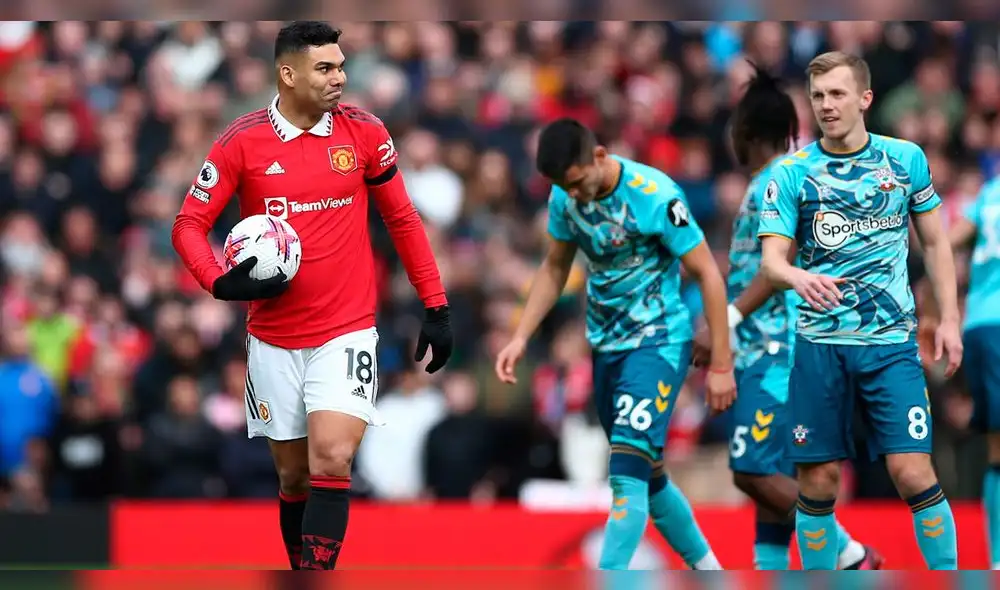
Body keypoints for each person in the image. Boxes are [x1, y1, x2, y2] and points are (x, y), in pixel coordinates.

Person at [171, 21, 453, 570]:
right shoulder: (241, 141)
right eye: (326, 68)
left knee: (332, 456)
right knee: (294, 475)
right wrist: (220, 280)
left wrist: (435, 303)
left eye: (342, 66)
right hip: (273, 338)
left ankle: (318, 577)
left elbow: (402, 218)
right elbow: (188, 224)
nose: (340, 78)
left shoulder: (366, 133)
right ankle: (301, 572)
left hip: (346, 328)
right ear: (288, 74)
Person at [495, 118, 735, 570]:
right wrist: (521, 336)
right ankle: (713, 577)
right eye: (567, 187)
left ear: (600, 156)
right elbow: (553, 267)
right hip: (606, 347)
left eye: (581, 182)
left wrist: (721, 361)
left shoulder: (655, 197)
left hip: (659, 342)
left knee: (625, 479)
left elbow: (706, 272)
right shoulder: (564, 195)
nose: (578, 196)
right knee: (649, 477)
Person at [756, 50, 962, 570]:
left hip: (890, 345)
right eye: (819, 96)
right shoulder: (793, 173)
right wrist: (800, 276)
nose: (826, 105)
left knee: (913, 472)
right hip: (820, 347)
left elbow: (936, 244)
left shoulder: (905, 159)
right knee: (819, 482)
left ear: (864, 99)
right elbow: (773, 261)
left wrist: (950, 320)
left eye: (837, 94)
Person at [694, 61, 882, 570]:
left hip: (776, 351)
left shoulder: (774, 181)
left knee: (750, 472)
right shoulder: (790, 177)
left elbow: (779, 266)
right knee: (771, 481)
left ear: (747, 133)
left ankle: (848, 551)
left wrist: (725, 322)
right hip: (788, 345)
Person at [940, 173, 1000, 569]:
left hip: (980, 325)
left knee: (997, 450)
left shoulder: (992, 190)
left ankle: (997, 557)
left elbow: (944, 242)